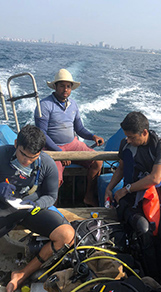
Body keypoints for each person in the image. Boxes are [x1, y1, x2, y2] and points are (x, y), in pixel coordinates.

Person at [0, 126, 74, 292]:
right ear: (15, 144)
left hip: (32, 209)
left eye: (33, 157)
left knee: (67, 236)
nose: (26, 161)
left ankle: (21, 273)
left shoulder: (47, 163)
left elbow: (50, 196)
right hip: (3, 207)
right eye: (23, 154)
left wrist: (37, 204)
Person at [103, 111, 161, 280]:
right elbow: (120, 169)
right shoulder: (125, 144)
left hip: (153, 196)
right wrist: (110, 188)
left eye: (131, 137)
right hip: (130, 200)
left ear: (144, 132)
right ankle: (150, 277)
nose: (128, 140)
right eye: (126, 137)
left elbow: (155, 178)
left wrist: (126, 189)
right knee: (143, 229)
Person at [35, 68, 105, 206]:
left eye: (68, 86)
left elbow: (79, 129)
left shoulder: (73, 104)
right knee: (54, 177)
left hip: (73, 144)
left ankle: (89, 196)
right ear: (55, 86)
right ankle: (51, 207)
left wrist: (93, 136)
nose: (65, 89)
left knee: (98, 161)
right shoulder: (44, 105)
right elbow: (42, 134)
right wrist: (60, 153)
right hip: (51, 148)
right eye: (62, 86)